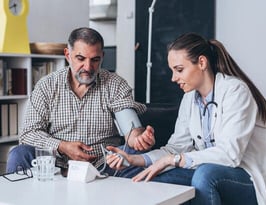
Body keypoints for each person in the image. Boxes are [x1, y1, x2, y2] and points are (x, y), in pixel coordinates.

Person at [105, 33, 266, 204]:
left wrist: (175, 159)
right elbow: (175, 148)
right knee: (137, 174)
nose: (173, 78)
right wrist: (134, 159)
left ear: (202, 63)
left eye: (179, 69)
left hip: (255, 177)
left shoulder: (235, 91)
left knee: (206, 175)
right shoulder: (190, 99)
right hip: (216, 172)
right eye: (172, 70)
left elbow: (230, 155)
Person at [6, 27, 155, 178]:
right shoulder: (47, 85)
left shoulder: (115, 84)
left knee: (138, 156)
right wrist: (62, 146)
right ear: (67, 55)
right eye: (80, 58)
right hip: (55, 166)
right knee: (19, 154)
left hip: (104, 166)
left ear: (102, 56)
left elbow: (131, 128)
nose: (88, 67)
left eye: (95, 60)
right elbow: (28, 134)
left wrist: (138, 139)